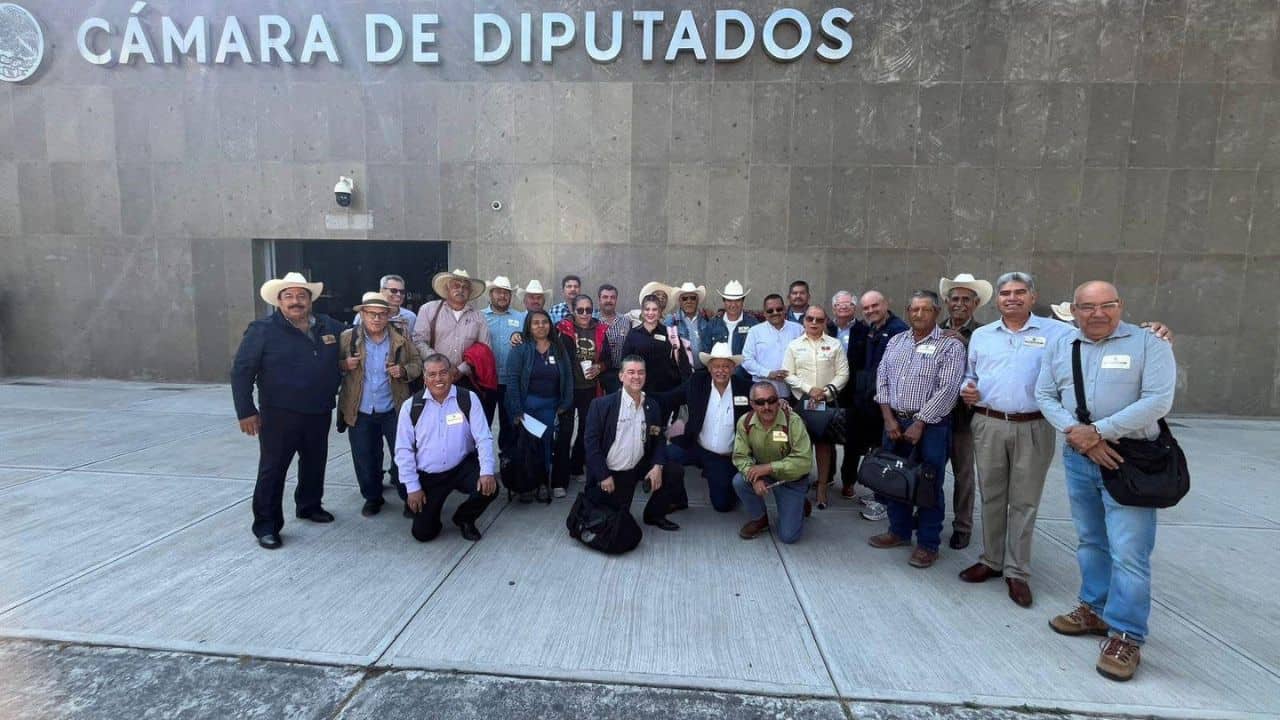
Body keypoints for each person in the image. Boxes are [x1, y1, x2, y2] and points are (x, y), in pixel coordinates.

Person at [1036, 281, 1176, 683]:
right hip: (1079, 457)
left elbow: (1158, 400)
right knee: (1091, 539)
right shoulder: (1063, 346)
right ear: (1074, 311)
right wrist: (1079, 435)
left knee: (1129, 552)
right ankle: (1094, 609)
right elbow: (1045, 395)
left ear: (1121, 306)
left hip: (1130, 459)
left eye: (1107, 305)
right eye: (1087, 307)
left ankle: (1127, 634)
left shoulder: (1150, 343)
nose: (1098, 314)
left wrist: (1097, 432)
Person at [956, 272, 1068, 607]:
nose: (1012, 298)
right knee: (991, 495)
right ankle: (991, 560)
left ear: (1033, 297)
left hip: (1033, 426)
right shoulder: (983, 336)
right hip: (989, 423)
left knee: (1024, 500)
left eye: (1020, 292)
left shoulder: (1059, 333)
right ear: (997, 299)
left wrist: (1152, 330)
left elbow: (1099, 334)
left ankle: (1017, 571)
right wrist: (967, 389)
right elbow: (970, 374)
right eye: (1006, 293)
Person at [231, 272, 345, 550]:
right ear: (279, 301)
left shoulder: (329, 326)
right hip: (279, 413)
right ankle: (267, 526)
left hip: (318, 409)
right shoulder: (262, 330)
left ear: (310, 299)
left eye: (301, 296)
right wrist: (246, 411)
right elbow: (241, 371)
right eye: (289, 296)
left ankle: (309, 505)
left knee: (315, 462)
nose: (296, 301)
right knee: (273, 470)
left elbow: (356, 339)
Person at [868, 290, 966, 569]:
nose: (919, 314)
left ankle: (927, 543)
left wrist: (921, 422)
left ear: (936, 312)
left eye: (925, 309)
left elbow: (947, 390)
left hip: (931, 426)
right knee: (894, 478)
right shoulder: (897, 341)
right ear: (907, 312)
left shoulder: (950, 346)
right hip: (894, 421)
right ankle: (898, 531)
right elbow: (882, 379)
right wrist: (888, 418)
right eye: (914, 309)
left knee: (927, 484)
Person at [395, 354, 498, 542]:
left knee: (490, 487)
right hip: (429, 475)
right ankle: (430, 514)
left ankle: (464, 518)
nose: (438, 379)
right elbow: (403, 451)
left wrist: (486, 472)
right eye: (432, 374)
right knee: (423, 534)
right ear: (424, 378)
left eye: (443, 373)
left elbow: (483, 437)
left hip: (461, 467)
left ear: (451, 374)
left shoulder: (468, 399)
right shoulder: (411, 407)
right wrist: (412, 487)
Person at [338, 292, 423, 518]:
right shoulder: (348, 338)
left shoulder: (401, 338)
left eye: (381, 314)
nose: (376, 319)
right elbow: (330, 366)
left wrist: (403, 371)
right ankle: (373, 497)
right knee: (365, 456)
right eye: (371, 314)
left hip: (393, 408)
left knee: (404, 455)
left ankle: (409, 498)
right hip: (360, 409)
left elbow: (418, 364)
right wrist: (343, 365)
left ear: (388, 316)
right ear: (363, 315)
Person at [582, 355, 676, 532]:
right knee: (612, 524)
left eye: (641, 372)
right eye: (631, 372)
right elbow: (591, 445)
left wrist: (657, 466)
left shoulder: (652, 406)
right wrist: (603, 475)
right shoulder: (601, 405)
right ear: (621, 376)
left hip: (637, 466)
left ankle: (654, 514)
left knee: (673, 470)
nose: (636, 377)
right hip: (612, 473)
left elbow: (658, 438)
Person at [662, 342, 754, 514]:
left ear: (733, 368)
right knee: (666, 454)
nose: (721, 370)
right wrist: (643, 396)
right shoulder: (698, 382)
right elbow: (670, 398)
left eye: (726, 366)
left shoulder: (745, 388)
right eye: (716, 366)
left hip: (723, 456)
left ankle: (729, 481)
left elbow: (765, 400)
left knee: (722, 505)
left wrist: (781, 402)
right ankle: (678, 498)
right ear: (709, 368)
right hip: (696, 446)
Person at [938, 273, 993, 550]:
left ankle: (962, 526)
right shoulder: (934, 330)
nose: (959, 304)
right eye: (955, 299)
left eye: (966, 300)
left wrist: (963, 342)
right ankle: (927, 518)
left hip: (964, 417)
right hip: (935, 415)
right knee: (931, 470)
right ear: (947, 302)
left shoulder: (985, 335)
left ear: (975, 303)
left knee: (963, 475)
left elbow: (990, 374)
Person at [844, 289, 908, 521]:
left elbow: (894, 373)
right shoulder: (873, 328)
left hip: (888, 405)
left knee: (888, 453)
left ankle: (885, 503)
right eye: (866, 308)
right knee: (878, 450)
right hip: (871, 401)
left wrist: (887, 411)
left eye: (875, 306)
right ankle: (880, 495)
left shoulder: (898, 331)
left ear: (886, 304)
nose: (870, 311)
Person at [783, 305, 849, 510]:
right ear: (804, 321)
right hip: (802, 401)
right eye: (810, 319)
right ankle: (800, 485)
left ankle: (822, 487)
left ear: (825, 322)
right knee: (801, 445)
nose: (813, 323)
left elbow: (843, 373)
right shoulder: (794, 345)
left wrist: (826, 392)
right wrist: (809, 389)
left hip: (825, 402)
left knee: (824, 446)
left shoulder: (835, 345)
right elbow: (787, 373)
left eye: (819, 320)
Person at [505, 309, 574, 502]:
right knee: (526, 446)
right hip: (526, 407)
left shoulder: (558, 348)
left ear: (550, 325)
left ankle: (543, 483)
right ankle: (526, 483)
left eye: (544, 322)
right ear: (528, 325)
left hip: (549, 406)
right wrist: (517, 410)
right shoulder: (520, 349)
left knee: (545, 445)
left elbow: (567, 376)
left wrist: (565, 402)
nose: (541, 326)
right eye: (536, 322)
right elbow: (512, 380)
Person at [733, 381, 814, 544]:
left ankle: (799, 502)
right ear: (752, 404)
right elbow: (740, 456)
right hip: (765, 476)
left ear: (778, 400)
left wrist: (768, 468)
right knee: (739, 482)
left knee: (788, 537)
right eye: (760, 402)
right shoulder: (745, 422)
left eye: (771, 400)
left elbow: (804, 461)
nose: (766, 407)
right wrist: (755, 478)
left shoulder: (793, 422)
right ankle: (760, 519)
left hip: (791, 479)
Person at [556, 294, 612, 495]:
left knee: (587, 431)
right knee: (565, 432)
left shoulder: (601, 330)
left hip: (591, 388)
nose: (585, 314)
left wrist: (600, 367)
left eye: (588, 310)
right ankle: (559, 481)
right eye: (580, 310)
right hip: (569, 389)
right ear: (572, 310)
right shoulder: (563, 329)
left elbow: (608, 358)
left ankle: (576, 466)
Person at [412, 269, 491, 392]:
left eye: (465, 287)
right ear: (447, 288)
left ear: (470, 292)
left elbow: (484, 349)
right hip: (435, 376)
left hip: (466, 379)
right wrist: (441, 364)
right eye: (456, 285)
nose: (460, 290)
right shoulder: (428, 310)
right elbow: (418, 341)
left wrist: (461, 370)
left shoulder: (478, 317)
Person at [619, 294, 693, 419]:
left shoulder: (670, 333)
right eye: (647, 309)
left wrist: (681, 390)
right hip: (640, 392)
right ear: (642, 311)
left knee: (664, 431)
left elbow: (683, 363)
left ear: (660, 312)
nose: (650, 313)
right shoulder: (633, 334)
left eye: (654, 309)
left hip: (667, 393)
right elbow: (625, 362)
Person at [483, 276, 525, 458]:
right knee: (482, 423)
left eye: (506, 293)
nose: (502, 296)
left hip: (511, 381)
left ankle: (507, 463)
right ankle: (481, 464)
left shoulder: (521, 318)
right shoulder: (479, 316)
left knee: (509, 424)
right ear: (491, 294)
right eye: (498, 292)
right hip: (486, 381)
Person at [741, 293, 803, 400]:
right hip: (762, 393)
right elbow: (746, 360)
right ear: (764, 313)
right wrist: (769, 373)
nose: (775, 313)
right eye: (770, 311)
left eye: (779, 309)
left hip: (793, 391)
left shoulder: (799, 330)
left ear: (784, 309)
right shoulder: (755, 332)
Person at [703, 280, 758, 381]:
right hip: (717, 378)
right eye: (729, 300)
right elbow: (706, 351)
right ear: (723, 301)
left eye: (737, 300)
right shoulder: (713, 324)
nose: (733, 305)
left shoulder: (753, 324)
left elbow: (756, 354)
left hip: (744, 379)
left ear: (743, 301)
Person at [666, 282, 714, 372]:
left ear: (697, 300)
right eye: (685, 298)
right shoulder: (671, 320)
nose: (689, 301)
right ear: (680, 301)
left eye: (693, 298)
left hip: (704, 371)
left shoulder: (707, 319)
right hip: (681, 373)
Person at [597, 283, 634, 395]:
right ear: (599, 299)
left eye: (612, 297)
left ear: (616, 299)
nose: (609, 300)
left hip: (620, 374)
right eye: (605, 297)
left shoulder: (626, 321)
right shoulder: (592, 321)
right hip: (598, 373)